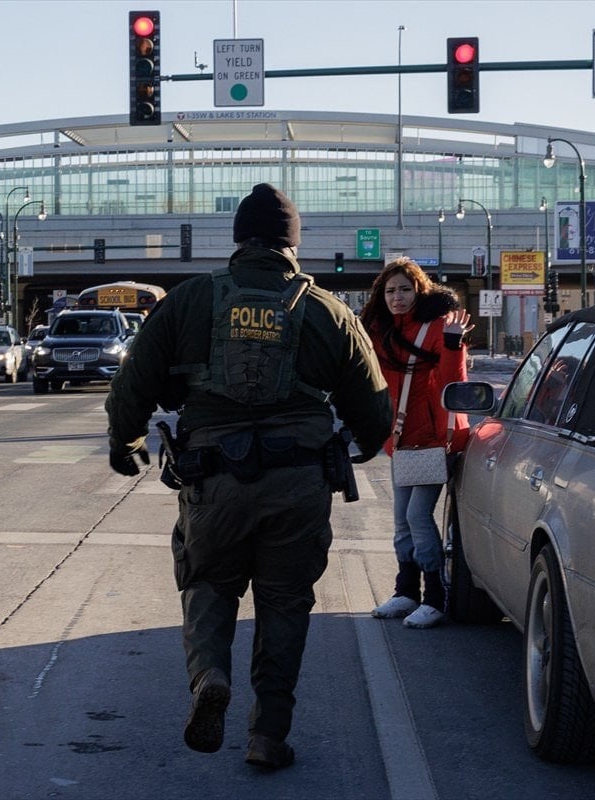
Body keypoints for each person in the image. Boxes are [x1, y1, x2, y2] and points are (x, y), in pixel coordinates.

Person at [104, 183, 391, 769]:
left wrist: (125, 441)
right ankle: (268, 735)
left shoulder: (189, 300)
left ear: (238, 239)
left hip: (213, 480)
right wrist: (359, 446)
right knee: (285, 604)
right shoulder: (329, 310)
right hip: (299, 483)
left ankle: (210, 675)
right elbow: (375, 409)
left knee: (208, 583)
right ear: (292, 245)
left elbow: (133, 382)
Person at [358, 257, 473, 629]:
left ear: (418, 290)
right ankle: (406, 591)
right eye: (391, 291)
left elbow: (453, 383)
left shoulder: (437, 326)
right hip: (400, 439)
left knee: (416, 517)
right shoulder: (378, 330)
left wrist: (454, 344)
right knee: (401, 522)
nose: (398, 297)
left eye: (405, 289)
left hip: (435, 439)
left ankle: (435, 598)